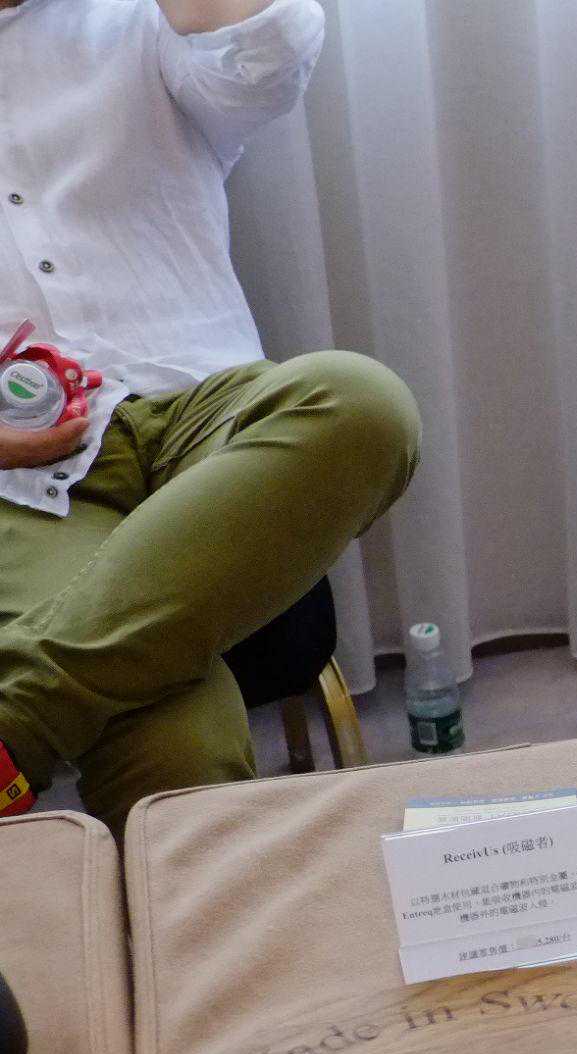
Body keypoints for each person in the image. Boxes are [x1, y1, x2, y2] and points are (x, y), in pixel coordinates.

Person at [0, 0, 418, 831]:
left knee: (363, 405)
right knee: (178, 757)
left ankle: (18, 722)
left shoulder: (135, 21)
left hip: (203, 409)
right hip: (21, 481)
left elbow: (271, 51)